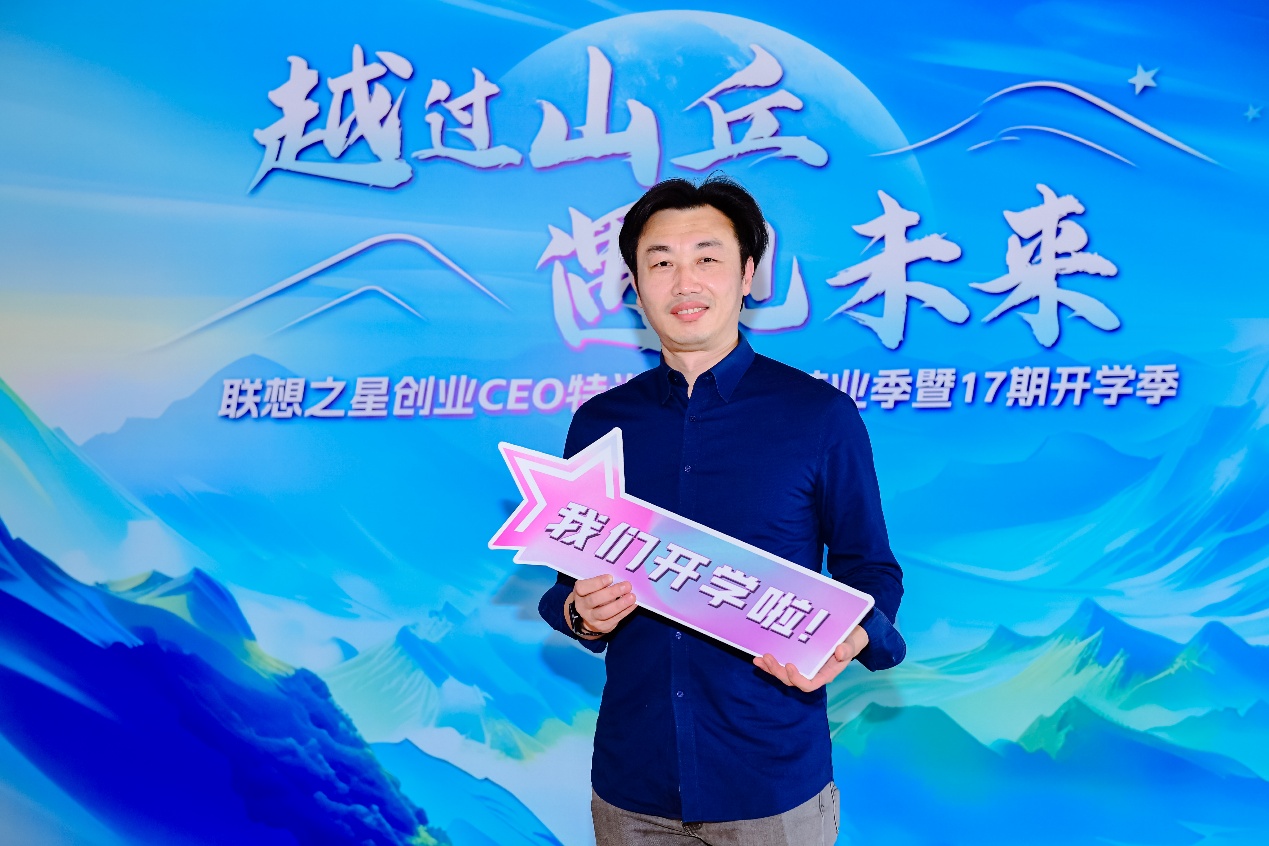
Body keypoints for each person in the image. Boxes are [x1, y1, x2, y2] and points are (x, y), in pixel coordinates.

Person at [537, 174, 906, 846]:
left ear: (747, 275)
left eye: (707, 258)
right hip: (632, 787)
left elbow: (871, 569)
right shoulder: (598, 423)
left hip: (771, 787)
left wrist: (854, 634)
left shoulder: (818, 416)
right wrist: (579, 613)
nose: (685, 282)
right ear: (634, 285)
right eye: (660, 263)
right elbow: (568, 584)